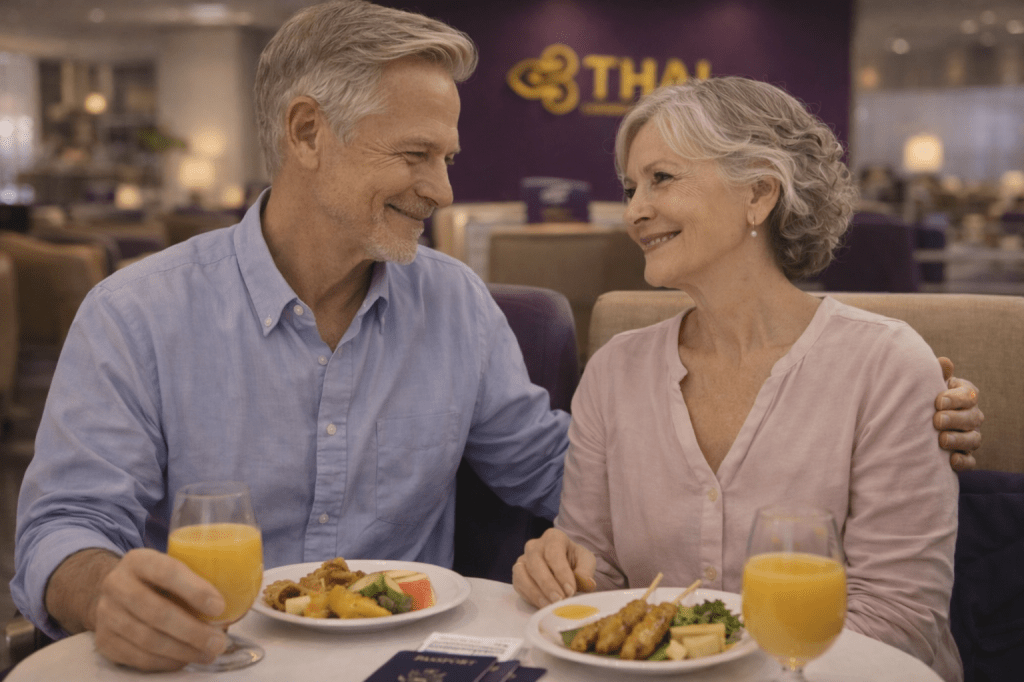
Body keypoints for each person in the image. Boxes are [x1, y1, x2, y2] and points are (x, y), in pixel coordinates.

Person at [9, 1, 979, 674]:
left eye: (448, 157)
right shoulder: (136, 313)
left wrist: (873, 400)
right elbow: (61, 530)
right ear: (307, 134)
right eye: (415, 155)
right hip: (203, 665)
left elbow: (571, 471)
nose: (442, 190)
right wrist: (102, 593)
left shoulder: (456, 306)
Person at [512, 77, 965, 682]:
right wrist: (564, 569)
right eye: (631, 188)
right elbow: (603, 577)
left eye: (661, 178)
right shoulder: (614, 371)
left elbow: (899, 619)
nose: (634, 211)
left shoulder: (888, 365)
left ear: (758, 194)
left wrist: (714, 662)